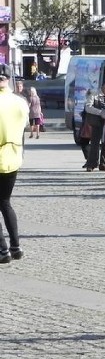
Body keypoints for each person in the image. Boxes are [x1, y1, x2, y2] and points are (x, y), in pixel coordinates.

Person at [0, 65, 29, 262]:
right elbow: (25, 126)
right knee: (5, 202)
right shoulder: (21, 102)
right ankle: (16, 246)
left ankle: (3, 251)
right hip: (14, 155)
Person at [84, 79, 105, 172]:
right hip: (96, 121)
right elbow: (88, 107)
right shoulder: (94, 94)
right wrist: (100, 112)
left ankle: (103, 163)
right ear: (104, 85)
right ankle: (91, 163)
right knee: (95, 143)